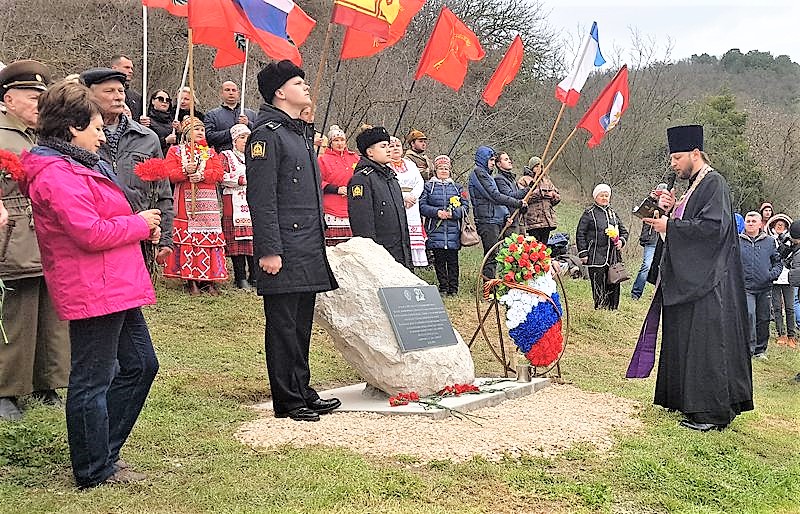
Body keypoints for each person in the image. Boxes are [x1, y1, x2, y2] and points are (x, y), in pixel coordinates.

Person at [21, 81, 160, 486]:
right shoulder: (55, 174)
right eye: (96, 127)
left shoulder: (80, 164)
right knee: (92, 379)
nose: (103, 135)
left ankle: (104, 453)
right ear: (71, 128)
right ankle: (92, 469)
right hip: (92, 286)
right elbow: (89, 231)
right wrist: (138, 223)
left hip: (114, 282)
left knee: (140, 365)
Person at [635, 124, 753, 432]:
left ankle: (712, 412)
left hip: (711, 284)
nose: (673, 164)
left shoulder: (714, 183)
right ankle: (683, 400)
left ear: (695, 153)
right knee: (687, 339)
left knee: (707, 345)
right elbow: (694, 221)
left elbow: (713, 229)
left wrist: (669, 228)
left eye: (677, 158)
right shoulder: (697, 185)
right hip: (696, 279)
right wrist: (672, 211)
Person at [246, 60, 340, 422]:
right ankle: (287, 399)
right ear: (280, 92)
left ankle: (302, 388)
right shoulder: (266, 135)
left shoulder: (296, 132)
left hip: (306, 246)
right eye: (299, 83)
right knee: (283, 325)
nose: (306, 88)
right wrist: (269, 249)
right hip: (283, 247)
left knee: (301, 323)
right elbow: (263, 197)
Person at [0, 60, 70, 420]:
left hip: (48, 233)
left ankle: (48, 382)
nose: (39, 105)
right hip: (13, 234)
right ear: (9, 99)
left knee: (52, 312)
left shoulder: (44, 137)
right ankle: (7, 389)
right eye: (32, 97)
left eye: (43, 97)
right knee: (17, 312)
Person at [81, 67, 174, 269]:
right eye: (109, 91)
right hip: (95, 237)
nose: (118, 97)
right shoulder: (79, 137)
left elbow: (163, 192)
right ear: (89, 94)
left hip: (139, 236)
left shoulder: (147, 138)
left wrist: (166, 237)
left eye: (120, 91)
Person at [162, 117, 228, 295]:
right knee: (191, 239)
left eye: (202, 130)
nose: (200, 132)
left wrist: (203, 175)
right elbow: (170, 174)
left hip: (208, 203)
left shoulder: (210, 152)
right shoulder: (176, 151)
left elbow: (219, 173)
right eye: (196, 129)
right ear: (186, 133)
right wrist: (185, 172)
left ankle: (209, 278)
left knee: (209, 237)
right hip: (187, 201)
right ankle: (191, 278)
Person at [348, 127, 412, 269]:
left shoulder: (392, 178)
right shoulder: (362, 180)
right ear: (370, 152)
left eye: (389, 145)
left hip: (400, 254)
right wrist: (372, 257)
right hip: (380, 257)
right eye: (383, 146)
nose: (389, 149)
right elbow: (363, 224)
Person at [468, 146, 527, 279]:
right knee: (491, 255)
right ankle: (488, 289)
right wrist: (517, 203)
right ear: (483, 159)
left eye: (494, 160)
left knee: (497, 255)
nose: (493, 163)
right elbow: (494, 196)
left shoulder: (488, 176)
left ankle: (497, 285)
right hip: (486, 220)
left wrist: (506, 215)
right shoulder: (479, 173)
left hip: (496, 219)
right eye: (491, 160)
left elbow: (497, 200)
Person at [419, 155, 468, 296]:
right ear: (435, 170)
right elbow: (422, 206)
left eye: (446, 168)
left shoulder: (457, 187)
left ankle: (454, 288)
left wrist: (453, 214)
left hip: (453, 230)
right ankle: (443, 286)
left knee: (453, 260)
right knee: (439, 260)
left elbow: (465, 207)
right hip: (435, 229)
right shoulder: (428, 186)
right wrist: (436, 212)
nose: (444, 171)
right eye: (441, 168)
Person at [576, 184, 629, 310]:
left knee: (614, 282)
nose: (604, 198)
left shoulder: (613, 213)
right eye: (602, 195)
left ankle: (612, 308)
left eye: (607, 195)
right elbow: (580, 233)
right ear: (596, 197)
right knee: (598, 283)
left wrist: (621, 241)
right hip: (595, 255)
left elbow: (624, 232)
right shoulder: (589, 213)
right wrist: (583, 253)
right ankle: (600, 308)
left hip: (612, 256)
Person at [739, 212, 782, 359]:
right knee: (749, 315)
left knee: (763, 318)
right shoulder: (737, 241)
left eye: (753, 221)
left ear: (759, 224)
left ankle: (760, 350)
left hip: (765, 287)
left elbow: (778, 262)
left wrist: (771, 275)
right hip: (746, 287)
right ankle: (749, 349)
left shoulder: (769, 242)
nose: (750, 223)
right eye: (748, 221)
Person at [220, 124, 255, 289]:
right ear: (234, 140)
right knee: (237, 240)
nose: (245, 141)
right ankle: (240, 276)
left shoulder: (255, 156)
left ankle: (254, 275)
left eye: (247, 137)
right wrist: (241, 179)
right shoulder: (226, 156)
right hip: (234, 201)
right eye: (241, 137)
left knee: (253, 239)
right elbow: (222, 176)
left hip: (253, 201)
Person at [389, 136, 427, 266]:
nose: (395, 148)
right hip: (395, 201)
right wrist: (403, 197)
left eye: (398, 146)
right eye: (392, 146)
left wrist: (414, 197)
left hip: (412, 204)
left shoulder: (410, 164)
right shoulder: (385, 165)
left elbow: (419, 182)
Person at [318, 124, 358, 245]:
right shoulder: (322, 159)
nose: (340, 143)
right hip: (331, 207)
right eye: (336, 140)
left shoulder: (355, 158)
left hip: (351, 205)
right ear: (330, 143)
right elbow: (318, 181)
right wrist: (336, 189)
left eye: (342, 140)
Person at [631, 182, 669, 300]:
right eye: (659, 194)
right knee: (646, 265)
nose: (661, 196)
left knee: (662, 268)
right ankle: (636, 293)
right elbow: (640, 212)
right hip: (652, 239)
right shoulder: (650, 203)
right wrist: (651, 199)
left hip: (664, 240)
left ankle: (658, 295)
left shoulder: (668, 206)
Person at [766, 214, 797, 348]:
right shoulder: (768, 240)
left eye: (783, 225)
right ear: (773, 226)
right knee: (777, 307)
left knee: (790, 307)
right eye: (778, 224)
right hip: (775, 277)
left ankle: (792, 335)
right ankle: (781, 334)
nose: (780, 226)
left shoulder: (791, 241)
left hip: (788, 277)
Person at [517, 155, 560, 245]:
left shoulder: (547, 180)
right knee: (533, 246)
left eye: (540, 166)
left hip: (547, 219)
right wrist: (543, 194)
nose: (539, 168)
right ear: (531, 167)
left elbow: (556, 196)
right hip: (533, 220)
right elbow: (524, 197)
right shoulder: (524, 180)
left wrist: (553, 196)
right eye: (536, 166)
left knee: (544, 246)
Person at [204, 81, 256, 152]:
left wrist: (248, 124)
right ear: (221, 94)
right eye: (227, 90)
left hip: (248, 156)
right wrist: (232, 131)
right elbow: (209, 137)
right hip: (224, 156)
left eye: (234, 90)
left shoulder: (251, 114)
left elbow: (260, 134)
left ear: (238, 94)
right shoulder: (212, 115)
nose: (231, 93)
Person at [493, 152, 529, 233]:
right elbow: (510, 196)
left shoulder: (512, 179)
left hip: (518, 220)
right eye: (506, 159)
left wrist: (523, 206)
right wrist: (527, 190)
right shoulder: (499, 179)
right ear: (499, 164)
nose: (510, 161)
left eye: (509, 159)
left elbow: (518, 197)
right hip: (510, 221)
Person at [110, 55, 143, 122]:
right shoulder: (104, 93)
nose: (131, 71)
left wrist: (144, 122)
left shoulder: (136, 97)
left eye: (131, 68)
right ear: (114, 68)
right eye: (127, 67)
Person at [141, 89, 174, 156]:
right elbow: (146, 143)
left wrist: (179, 131)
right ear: (153, 101)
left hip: (170, 159)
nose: (164, 102)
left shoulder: (173, 121)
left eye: (167, 100)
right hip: (155, 158)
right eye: (161, 99)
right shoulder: (146, 121)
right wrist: (165, 141)